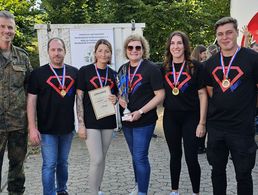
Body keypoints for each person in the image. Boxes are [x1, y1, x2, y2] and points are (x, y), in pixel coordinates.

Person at [204, 17, 258, 195]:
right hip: (217, 128)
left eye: (228, 32)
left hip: (242, 129)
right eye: (220, 34)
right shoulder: (210, 63)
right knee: (217, 172)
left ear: (236, 33)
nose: (224, 37)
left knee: (243, 174)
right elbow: (211, 92)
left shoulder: (252, 58)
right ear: (216, 37)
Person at [27, 37, 78, 195]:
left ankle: (62, 190)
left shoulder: (74, 72)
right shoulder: (38, 74)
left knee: (63, 163)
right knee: (49, 164)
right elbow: (31, 102)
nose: (57, 53)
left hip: (67, 129)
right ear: (48, 52)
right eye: (53, 50)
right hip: (47, 129)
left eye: (60, 49)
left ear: (65, 51)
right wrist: (32, 128)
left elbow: (84, 98)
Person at [118, 34, 164, 195]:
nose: (134, 50)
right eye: (130, 47)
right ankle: (138, 185)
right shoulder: (122, 69)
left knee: (140, 156)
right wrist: (119, 99)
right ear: (126, 50)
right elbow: (121, 91)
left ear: (143, 50)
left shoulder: (151, 68)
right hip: (127, 120)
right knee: (134, 156)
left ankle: (142, 192)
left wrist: (141, 111)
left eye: (138, 47)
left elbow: (160, 95)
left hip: (145, 120)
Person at [162, 31, 208, 195]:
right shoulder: (164, 68)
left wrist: (202, 122)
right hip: (171, 118)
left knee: (191, 158)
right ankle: (174, 191)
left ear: (185, 45)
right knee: (174, 156)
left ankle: (196, 192)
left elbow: (203, 94)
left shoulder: (196, 66)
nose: (176, 46)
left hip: (191, 117)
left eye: (179, 43)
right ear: (169, 46)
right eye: (173, 43)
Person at [76, 39, 118, 195]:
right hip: (90, 122)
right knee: (97, 159)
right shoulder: (84, 71)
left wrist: (115, 98)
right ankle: (93, 192)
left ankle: (98, 189)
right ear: (95, 53)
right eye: (100, 50)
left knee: (102, 158)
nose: (103, 54)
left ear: (110, 54)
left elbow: (119, 96)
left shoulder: (113, 74)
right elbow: (79, 98)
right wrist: (81, 124)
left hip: (107, 120)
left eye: (107, 51)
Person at [0, 10, 32, 194]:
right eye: (2, 26)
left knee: (17, 171)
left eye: (10, 27)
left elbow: (31, 91)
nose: (7, 30)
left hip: (18, 124)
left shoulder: (22, 57)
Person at [191, 44, 208, 154]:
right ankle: (199, 145)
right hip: (197, 101)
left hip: (199, 99)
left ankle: (199, 145)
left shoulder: (197, 65)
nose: (205, 55)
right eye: (204, 53)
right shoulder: (197, 66)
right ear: (199, 54)